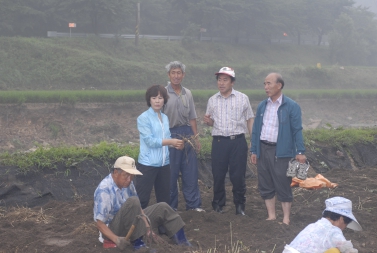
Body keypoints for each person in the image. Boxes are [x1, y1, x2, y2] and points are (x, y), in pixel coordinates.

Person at [93, 156, 192, 251]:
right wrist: (116, 239)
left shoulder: (128, 183)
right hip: (113, 229)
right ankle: (139, 245)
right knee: (133, 201)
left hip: (130, 222)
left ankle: (183, 242)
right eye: (126, 175)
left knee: (163, 207)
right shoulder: (104, 190)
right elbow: (100, 224)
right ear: (115, 172)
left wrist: (147, 228)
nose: (129, 179)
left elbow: (138, 207)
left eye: (131, 176)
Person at [250, 72, 306, 225]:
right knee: (265, 182)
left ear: (279, 85)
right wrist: (254, 150)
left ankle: (286, 218)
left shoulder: (291, 106)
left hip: (281, 151)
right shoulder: (263, 105)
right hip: (263, 148)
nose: (266, 87)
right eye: (264, 84)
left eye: (269, 83)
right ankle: (271, 216)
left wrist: (300, 151)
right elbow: (256, 129)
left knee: (282, 181)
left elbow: (297, 130)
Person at [203, 67, 254, 215]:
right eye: (219, 79)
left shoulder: (243, 98)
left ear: (232, 82)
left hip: (237, 141)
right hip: (219, 142)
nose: (221, 83)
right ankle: (218, 204)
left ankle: (240, 206)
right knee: (218, 174)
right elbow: (213, 122)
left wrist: (252, 140)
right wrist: (208, 121)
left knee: (238, 176)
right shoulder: (212, 100)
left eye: (225, 80)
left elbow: (250, 119)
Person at [162, 61, 203, 212]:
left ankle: (193, 205)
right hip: (171, 133)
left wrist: (195, 137)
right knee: (171, 172)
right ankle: (171, 207)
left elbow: (192, 117)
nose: (176, 76)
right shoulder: (163, 93)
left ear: (183, 75)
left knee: (190, 171)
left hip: (187, 134)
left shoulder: (188, 93)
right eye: (173, 73)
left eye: (179, 73)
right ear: (169, 75)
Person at [136, 85, 184, 209]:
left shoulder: (165, 118)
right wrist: (170, 142)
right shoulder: (143, 118)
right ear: (149, 100)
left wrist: (176, 145)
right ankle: (138, 226)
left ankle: (163, 228)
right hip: (147, 164)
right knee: (142, 199)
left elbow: (166, 139)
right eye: (154, 98)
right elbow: (150, 141)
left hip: (164, 165)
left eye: (160, 98)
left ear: (164, 100)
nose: (157, 101)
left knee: (164, 200)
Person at [283, 196, 361, 253]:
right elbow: (346, 248)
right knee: (336, 251)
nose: (344, 228)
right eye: (346, 224)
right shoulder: (333, 230)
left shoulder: (314, 225)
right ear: (341, 219)